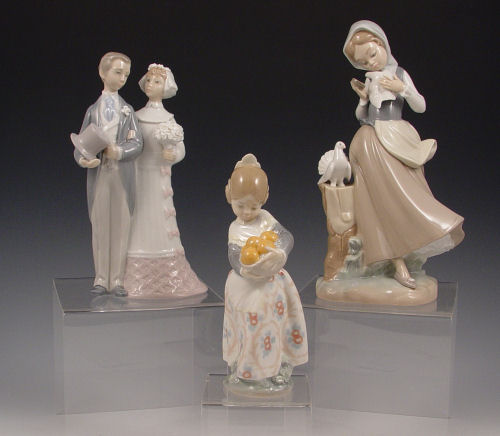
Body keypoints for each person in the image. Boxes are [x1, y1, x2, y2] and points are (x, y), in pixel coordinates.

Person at [343, 21, 464, 288]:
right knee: (377, 201)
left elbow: (420, 106)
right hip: (369, 142)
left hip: (395, 139)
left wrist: (403, 90)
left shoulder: (399, 73)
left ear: (382, 44)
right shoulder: (370, 78)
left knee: (404, 195)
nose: (371, 64)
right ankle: (395, 262)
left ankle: (414, 247)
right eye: (364, 63)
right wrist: (363, 99)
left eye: (372, 55)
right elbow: (362, 116)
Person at [222, 154, 308, 395]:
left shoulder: (266, 219)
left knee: (276, 323)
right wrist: (246, 269)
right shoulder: (235, 228)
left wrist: (279, 252)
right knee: (250, 323)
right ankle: (247, 369)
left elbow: (286, 236)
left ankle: (277, 365)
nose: (247, 212)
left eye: (254, 206)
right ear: (229, 196)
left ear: (264, 200)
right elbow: (234, 256)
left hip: (272, 280)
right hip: (245, 284)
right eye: (240, 205)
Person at [124, 63, 206, 298]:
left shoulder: (168, 120)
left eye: (157, 81)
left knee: (160, 216)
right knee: (138, 216)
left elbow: (180, 148)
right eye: (149, 80)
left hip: (159, 177)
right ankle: (133, 270)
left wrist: (173, 154)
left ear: (166, 87)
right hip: (138, 176)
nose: (151, 84)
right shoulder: (136, 117)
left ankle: (165, 268)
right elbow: (129, 142)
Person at [73, 52, 143, 296]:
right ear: (103, 73)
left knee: (122, 226)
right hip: (100, 175)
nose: (122, 78)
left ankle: (118, 279)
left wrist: (119, 151)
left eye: (126, 75)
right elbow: (80, 144)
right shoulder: (93, 111)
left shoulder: (128, 111)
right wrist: (83, 159)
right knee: (101, 226)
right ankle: (101, 278)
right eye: (118, 72)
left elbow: (138, 144)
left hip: (122, 176)